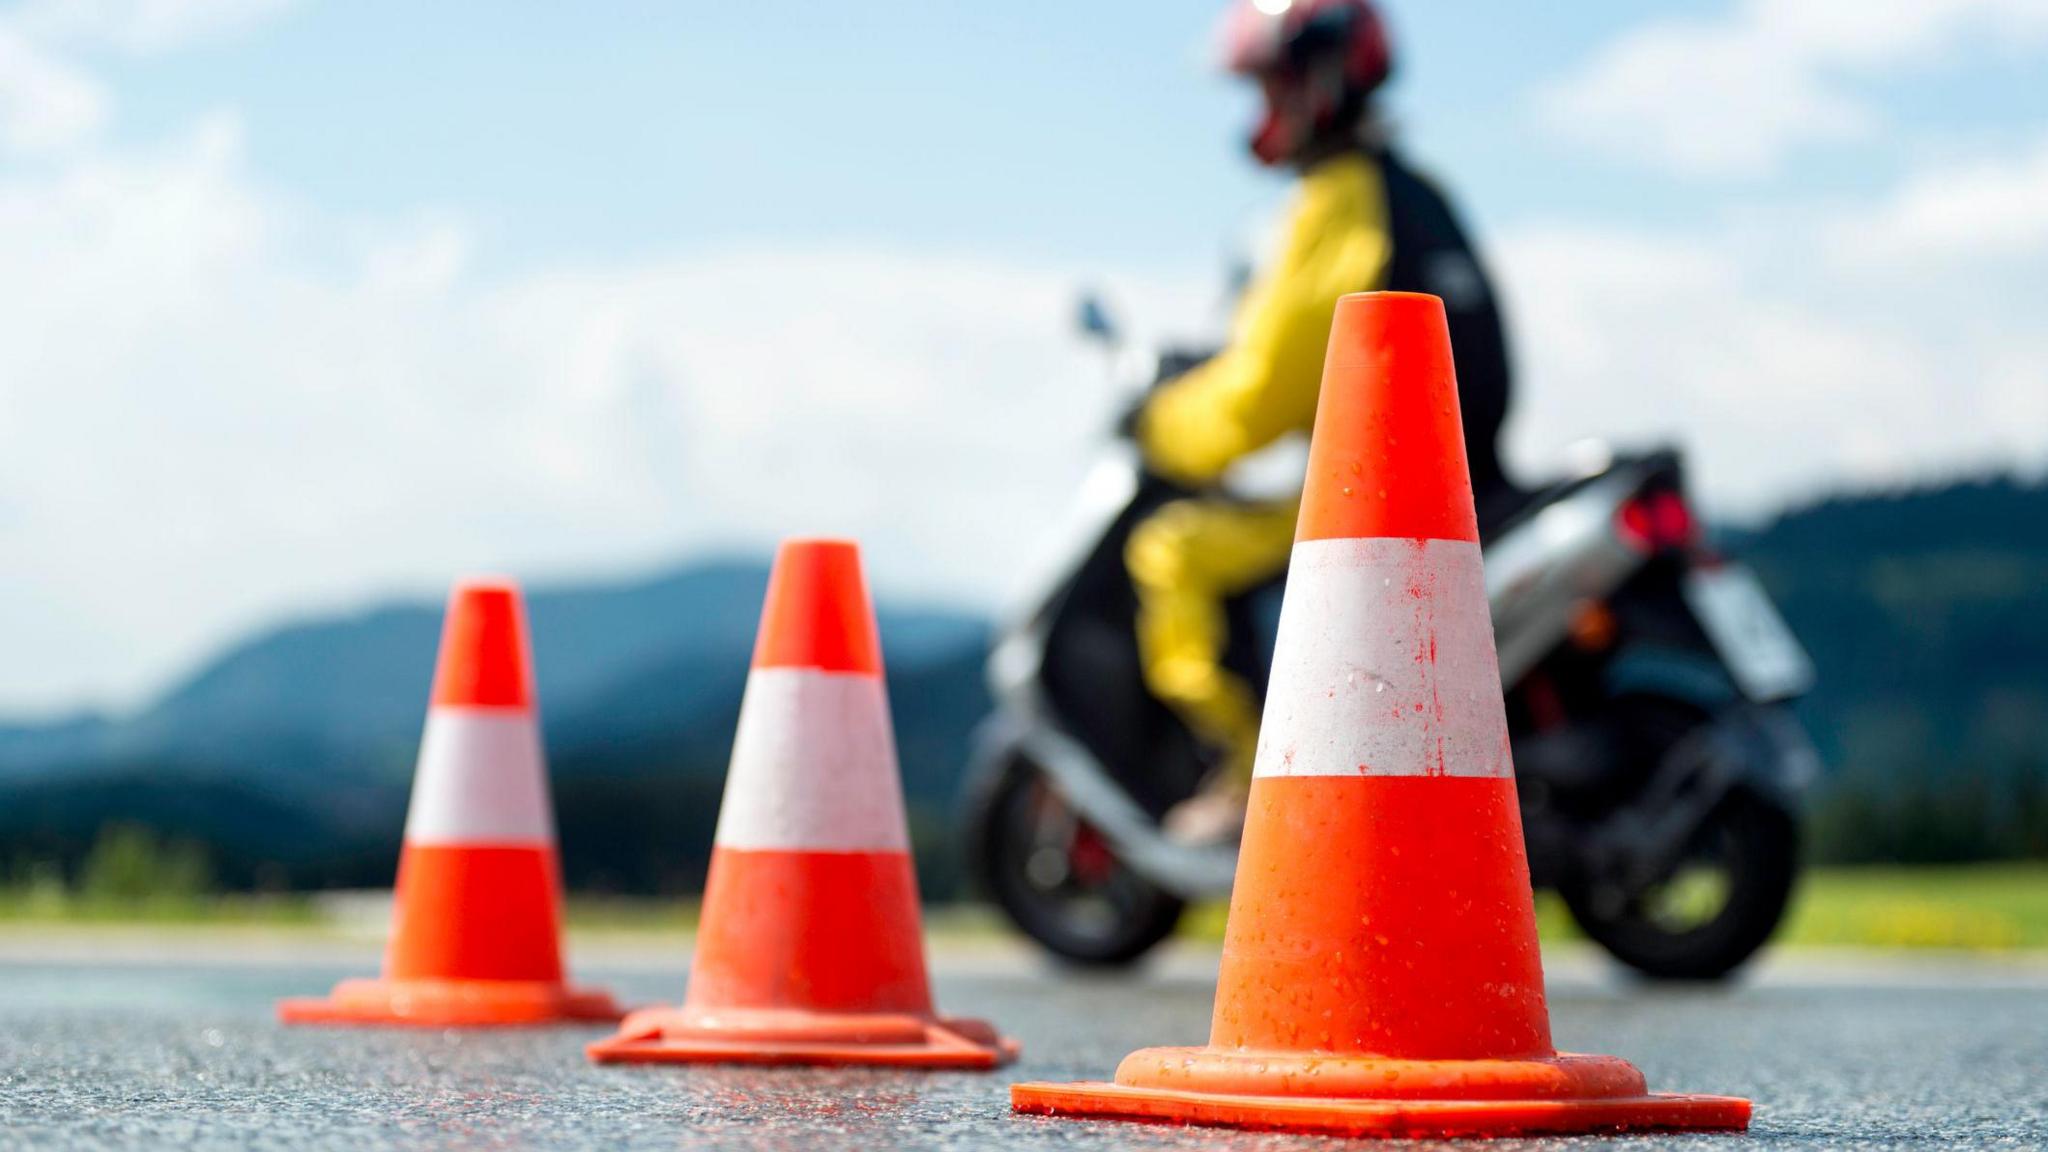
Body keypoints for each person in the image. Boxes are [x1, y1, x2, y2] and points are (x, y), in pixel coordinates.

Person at [1131, 0, 1515, 843]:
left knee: (1171, 553)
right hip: (1467, 481)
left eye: (1269, 84)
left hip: (1379, 497)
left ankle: (1245, 780)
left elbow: (1260, 393)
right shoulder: (1414, 192)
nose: (1262, 109)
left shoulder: (1338, 201)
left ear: (1318, 82)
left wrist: (1160, 426)